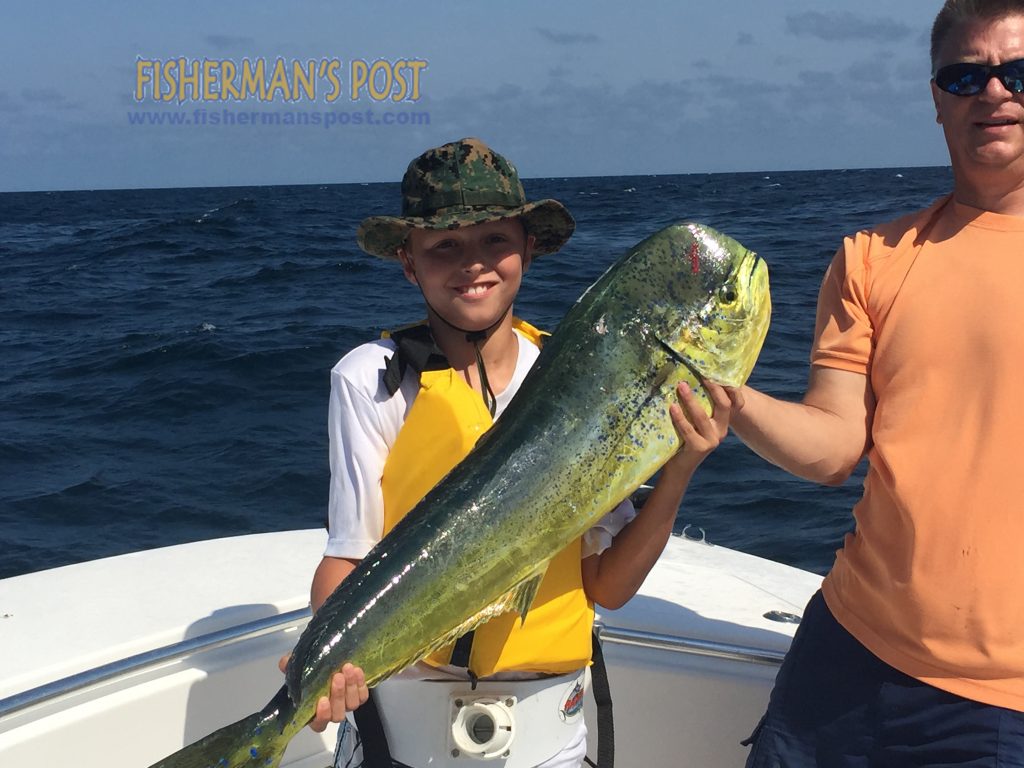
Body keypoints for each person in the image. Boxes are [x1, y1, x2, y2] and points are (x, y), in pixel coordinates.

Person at [300, 137, 732, 768]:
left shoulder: (581, 378)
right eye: (443, 245)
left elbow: (607, 587)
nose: (472, 264)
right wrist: (325, 663)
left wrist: (679, 471)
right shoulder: (372, 377)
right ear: (408, 262)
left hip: (552, 737)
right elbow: (349, 554)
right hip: (402, 734)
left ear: (529, 247)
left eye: (493, 241)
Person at [732, 2, 1024, 764]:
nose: (994, 93)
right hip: (846, 652)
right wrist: (728, 399)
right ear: (936, 99)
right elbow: (832, 448)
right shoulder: (870, 258)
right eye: (967, 76)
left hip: (1004, 701)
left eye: (1018, 73)